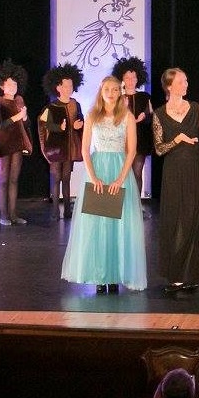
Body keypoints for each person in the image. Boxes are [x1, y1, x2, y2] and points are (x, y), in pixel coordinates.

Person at [60, 75, 148, 293]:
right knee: (98, 225)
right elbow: (85, 150)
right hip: (98, 170)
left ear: (120, 92)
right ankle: (100, 276)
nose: (111, 93)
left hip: (119, 170)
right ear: (101, 91)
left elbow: (132, 151)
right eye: (107, 89)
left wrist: (120, 178)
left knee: (118, 225)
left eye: (115, 89)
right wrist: (93, 177)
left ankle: (115, 275)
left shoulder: (127, 116)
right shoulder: (92, 115)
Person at [152, 67, 199, 294]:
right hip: (173, 171)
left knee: (194, 219)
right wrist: (177, 139)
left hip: (196, 169)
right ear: (169, 86)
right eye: (181, 82)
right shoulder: (159, 114)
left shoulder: (195, 108)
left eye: (186, 81)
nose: (186, 85)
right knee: (176, 219)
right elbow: (159, 148)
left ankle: (193, 274)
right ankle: (176, 274)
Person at [38, 63, 85, 221]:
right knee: (56, 178)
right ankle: (55, 211)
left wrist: (79, 125)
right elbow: (43, 124)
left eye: (70, 85)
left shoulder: (75, 104)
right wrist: (59, 127)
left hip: (70, 147)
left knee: (66, 178)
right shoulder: (51, 107)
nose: (68, 88)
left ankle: (67, 210)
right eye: (65, 86)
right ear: (58, 87)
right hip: (56, 148)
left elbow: (80, 118)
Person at [0, 59, 31, 226]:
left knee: (14, 180)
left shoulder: (19, 100)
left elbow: (26, 125)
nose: (13, 87)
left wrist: (25, 118)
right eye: (9, 84)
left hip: (17, 143)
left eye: (15, 84)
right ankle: (3, 215)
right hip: (2, 143)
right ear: (1, 85)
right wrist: (16, 117)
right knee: (3, 179)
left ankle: (13, 214)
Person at [112, 57, 154, 217]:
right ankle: (121, 206)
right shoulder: (117, 98)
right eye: (127, 77)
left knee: (137, 173)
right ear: (122, 79)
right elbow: (112, 120)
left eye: (133, 77)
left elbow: (152, 117)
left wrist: (145, 117)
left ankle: (136, 206)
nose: (130, 81)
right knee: (122, 173)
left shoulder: (145, 96)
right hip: (122, 141)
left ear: (138, 78)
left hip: (140, 140)